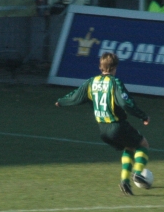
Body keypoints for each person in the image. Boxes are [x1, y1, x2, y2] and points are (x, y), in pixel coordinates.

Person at [55, 52, 152, 196]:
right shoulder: (114, 82)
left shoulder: (91, 82)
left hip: (103, 130)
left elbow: (76, 96)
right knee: (143, 144)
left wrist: (61, 101)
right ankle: (138, 173)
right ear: (114, 67)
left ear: (101, 67)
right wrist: (143, 115)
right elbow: (125, 102)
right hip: (117, 125)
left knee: (129, 146)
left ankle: (125, 181)